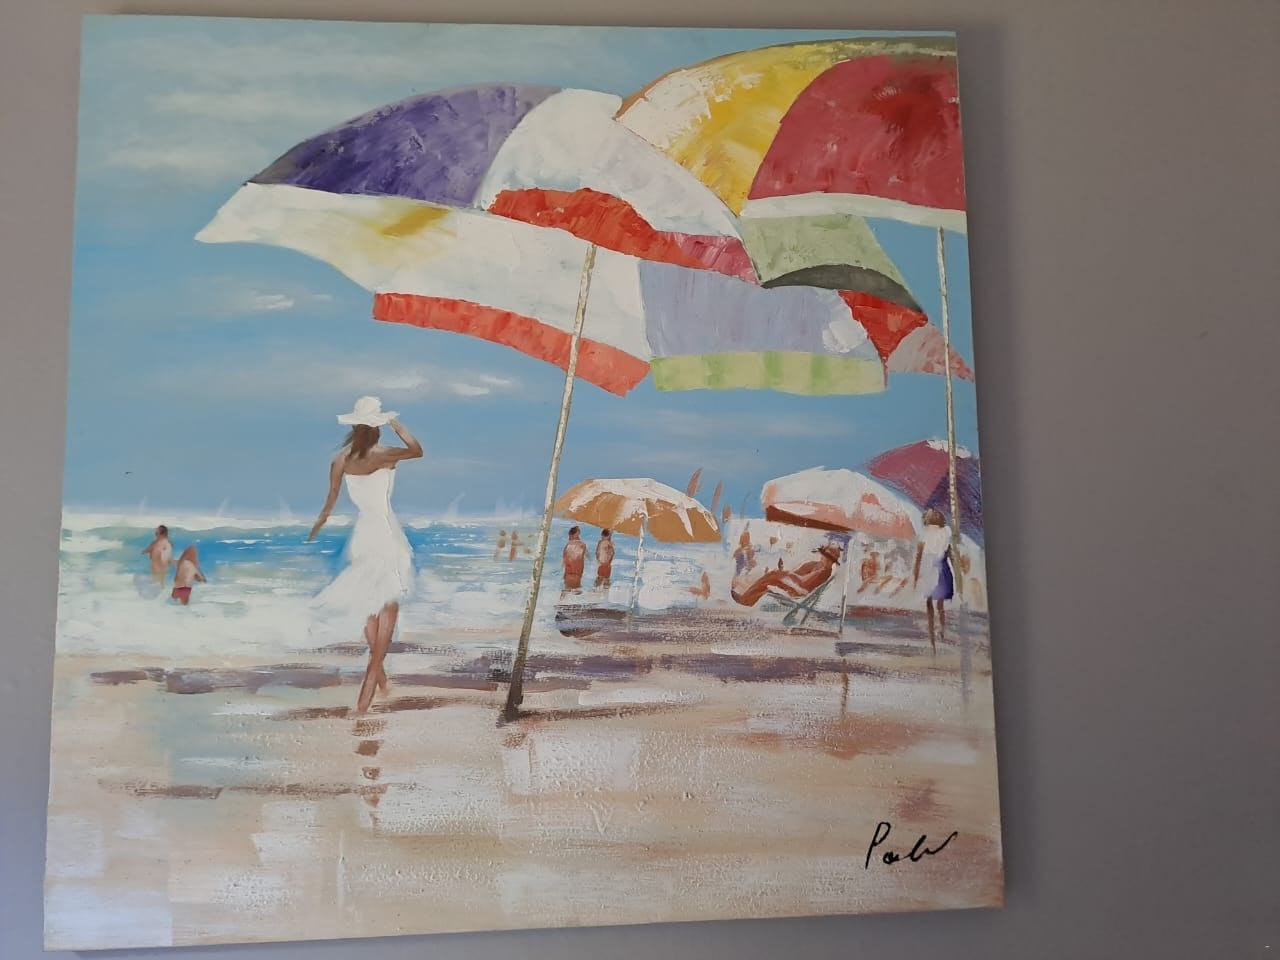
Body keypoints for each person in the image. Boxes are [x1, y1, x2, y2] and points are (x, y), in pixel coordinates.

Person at [308, 396, 423, 714]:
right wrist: (396, 423)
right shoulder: (385, 455)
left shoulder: (341, 460)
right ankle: (368, 689)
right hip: (386, 532)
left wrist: (317, 526)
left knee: (370, 604)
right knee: (388, 605)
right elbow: (417, 450)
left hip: (363, 534)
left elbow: (330, 502)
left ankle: (379, 678)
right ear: (377, 428)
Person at [731, 542, 841, 607]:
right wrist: (785, 572)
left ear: (831, 561)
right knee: (772, 576)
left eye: (827, 558)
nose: (823, 558)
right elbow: (798, 574)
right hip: (796, 585)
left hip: (799, 590)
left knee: (772, 578)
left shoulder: (823, 571)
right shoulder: (818, 565)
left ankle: (746, 599)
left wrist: (786, 574)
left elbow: (804, 582)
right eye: (823, 556)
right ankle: (748, 598)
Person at [913, 508, 955, 652]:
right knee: (940, 604)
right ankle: (942, 630)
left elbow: (919, 555)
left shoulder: (925, 532)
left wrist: (916, 574)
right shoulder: (946, 531)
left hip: (930, 568)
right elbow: (949, 553)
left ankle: (933, 639)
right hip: (942, 566)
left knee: (929, 603)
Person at [562, 526, 587, 591]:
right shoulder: (582, 544)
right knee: (576, 590)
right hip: (577, 572)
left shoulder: (568, 545)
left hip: (569, 571)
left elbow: (564, 560)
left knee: (567, 590)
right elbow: (585, 557)